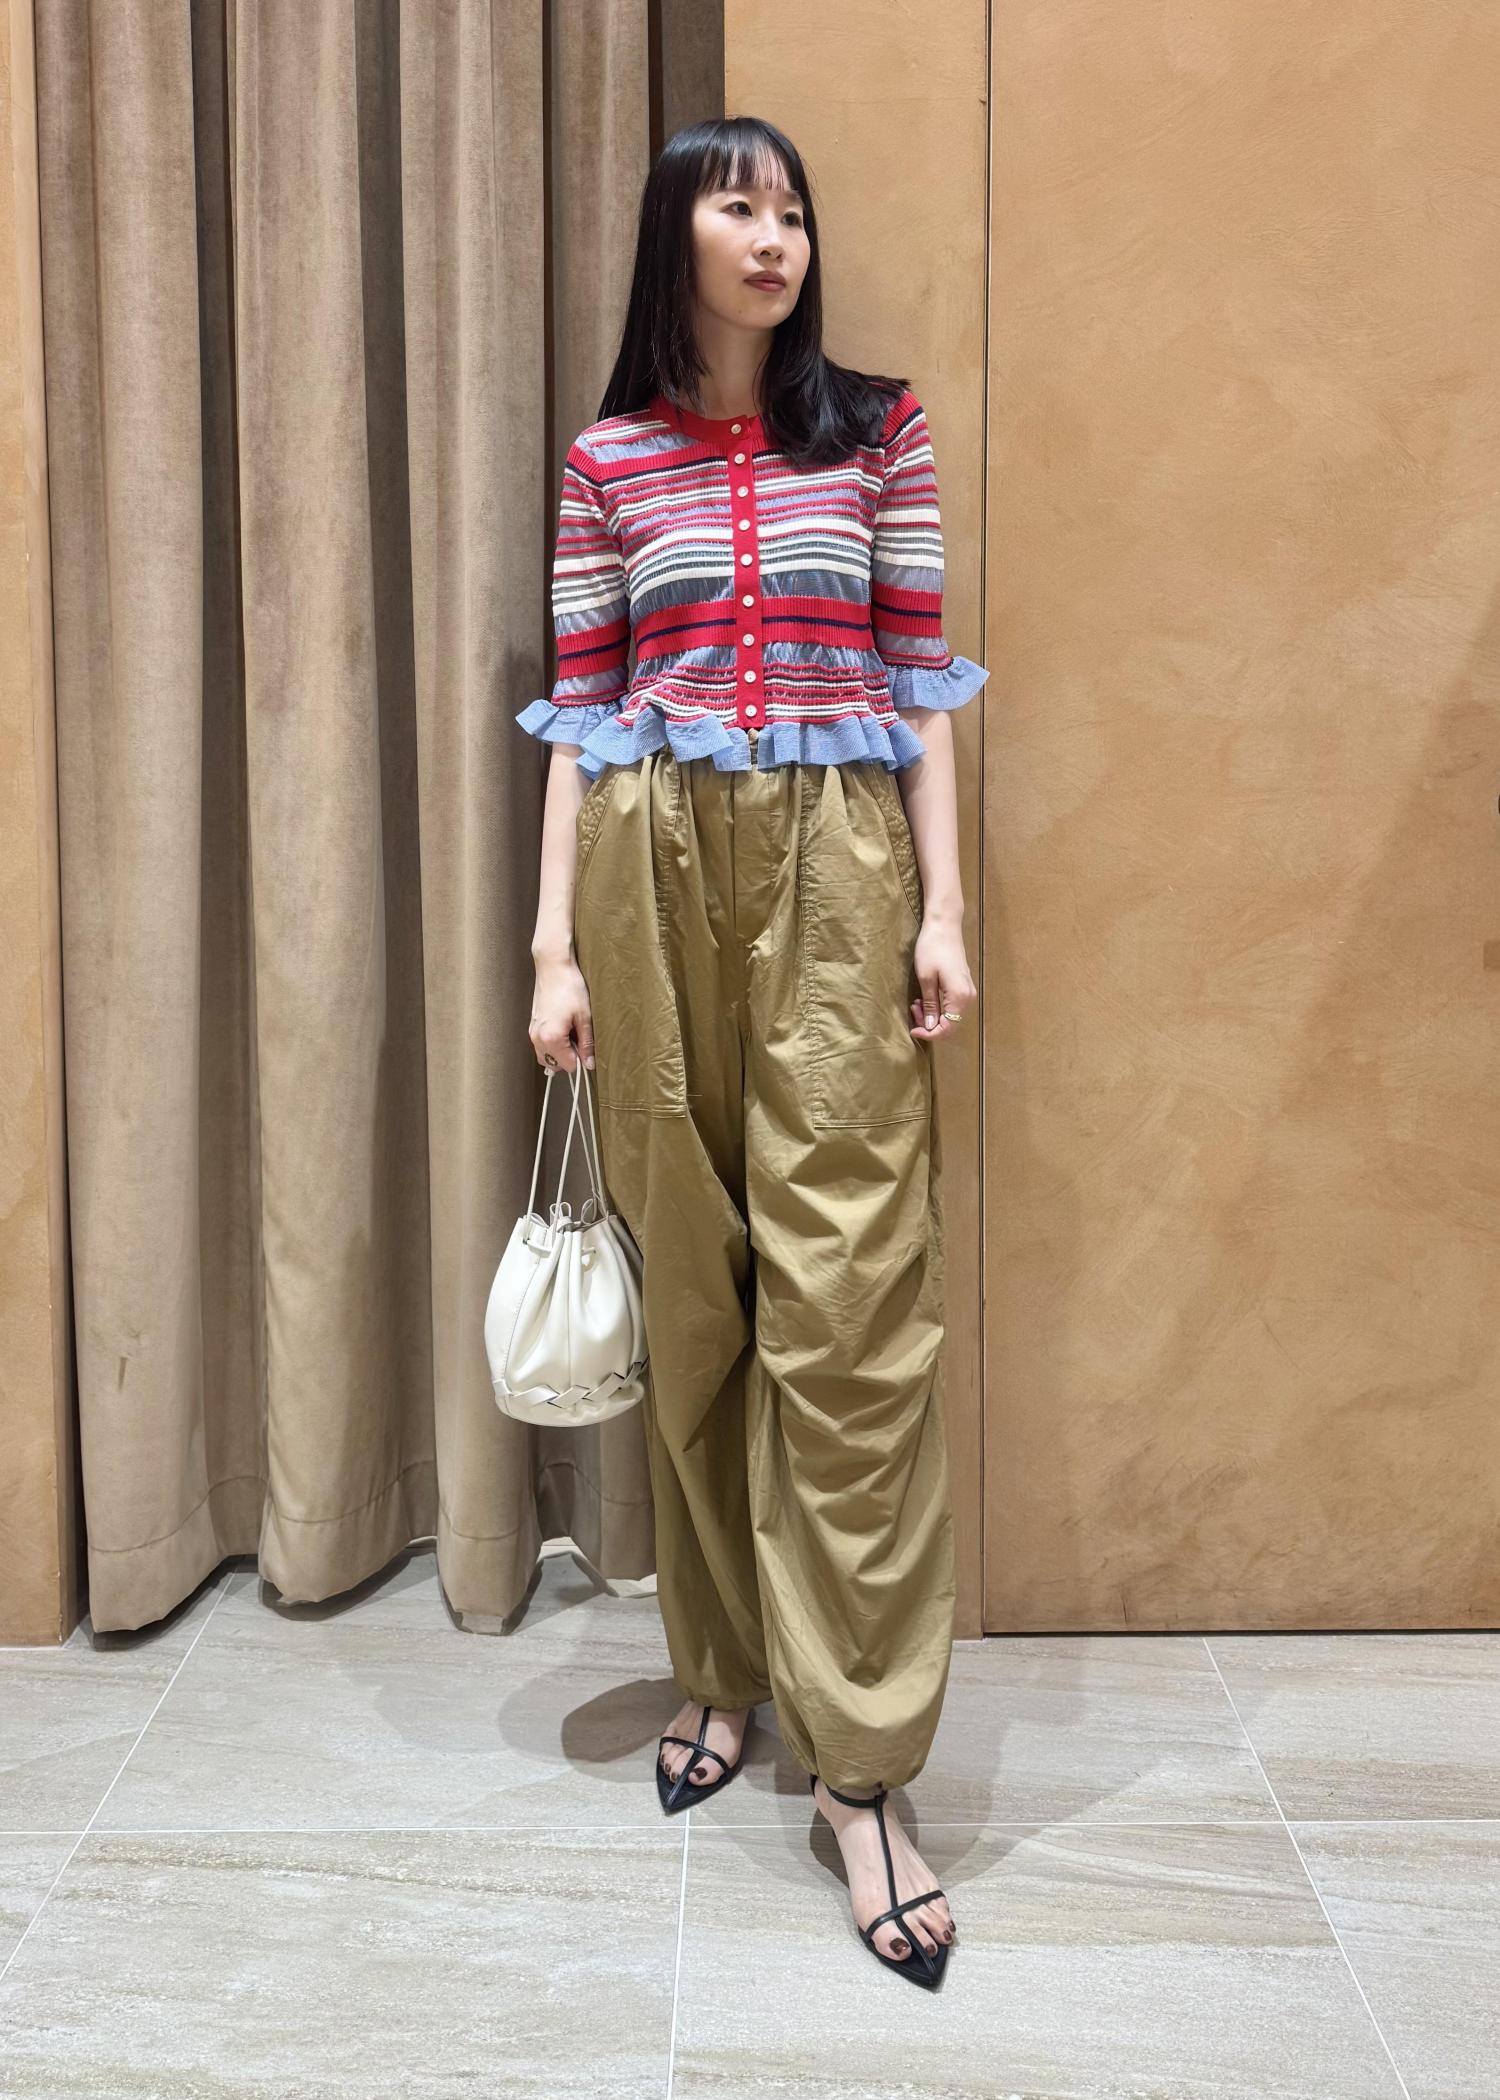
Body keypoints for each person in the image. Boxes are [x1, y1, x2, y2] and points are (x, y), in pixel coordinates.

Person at [518, 114, 986, 1989]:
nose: (773, 238)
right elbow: (579, 713)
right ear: (678, 235)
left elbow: (925, 685)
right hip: (643, 871)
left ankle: (860, 1773)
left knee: (851, 1308)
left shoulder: (879, 431)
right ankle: (720, 1668)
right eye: (738, 206)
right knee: (697, 1300)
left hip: (841, 873)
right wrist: (551, 947)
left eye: (792, 211)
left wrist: (945, 914)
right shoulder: (605, 462)